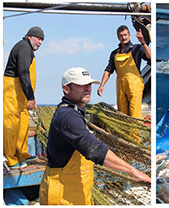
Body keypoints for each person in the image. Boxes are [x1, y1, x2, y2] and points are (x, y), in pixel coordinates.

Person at [39, 67, 150, 205]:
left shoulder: (74, 112)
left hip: (77, 191)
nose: (88, 88)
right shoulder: (68, 117)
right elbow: (94, 149)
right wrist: (132, 170)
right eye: (81, 84)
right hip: (62, 194)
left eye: (89, 84)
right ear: (66, 89)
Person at [4, 26, 44, 169]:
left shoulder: (28, 50)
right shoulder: (24, 48)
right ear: (30, 36)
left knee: (23, 123)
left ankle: (21, 154)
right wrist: (31, 97)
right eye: (38, 38)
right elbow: (23, 73)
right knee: (11, 125)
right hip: (12, 92)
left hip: (21, 95)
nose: (40, 42)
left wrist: (28, 97)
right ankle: (11, 159)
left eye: (42, 40)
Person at [97, 25, 151, 119]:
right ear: (118, 37)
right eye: (121, 35)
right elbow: (108, 70)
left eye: (125, 35)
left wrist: (143, 42)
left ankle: (135, 134)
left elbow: (150, 57)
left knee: (135, 113)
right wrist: (102, 85)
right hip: (121, 87)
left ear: (129, 35)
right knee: (122, 114)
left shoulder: (137, 48)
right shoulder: (114, 53)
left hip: (135, 86)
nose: (124, 37)